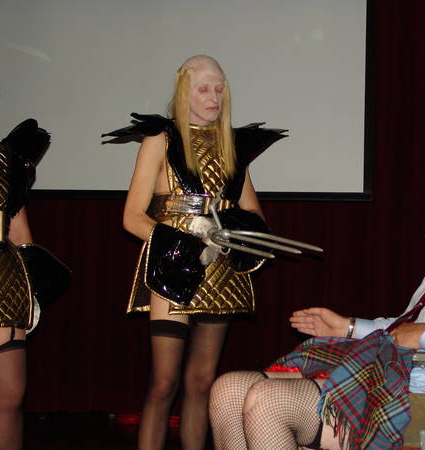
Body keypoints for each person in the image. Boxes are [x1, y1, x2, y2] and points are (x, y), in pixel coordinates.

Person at [209, 161, 425, 449]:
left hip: (424, 404)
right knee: (228, 391)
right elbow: (406, 328)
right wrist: (348, 327)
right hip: (389, 373)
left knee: (268, 402)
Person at [103, 55, 285, 450]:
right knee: (163, 382)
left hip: (219, 268)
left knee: (202, 382)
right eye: (204, 88)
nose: (214, 96)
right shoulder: (161, 139)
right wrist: (181, 243)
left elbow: (254, 213)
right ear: (185, 90)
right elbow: (132, 217)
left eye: (219, 89)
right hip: (172, 267)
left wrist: (230, 231)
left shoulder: (231, 146)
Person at [0, 47, 49, 450]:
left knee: (7, 399)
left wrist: (32, 288)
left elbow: (20, 231)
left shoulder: (1, 155)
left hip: (0, 285)